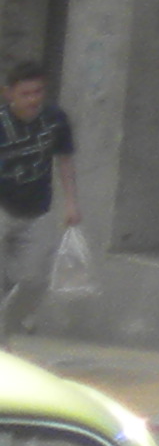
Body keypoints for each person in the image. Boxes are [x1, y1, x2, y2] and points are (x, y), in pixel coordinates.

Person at [0, 60, 79, 336]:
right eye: (25, 94)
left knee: (35, 281)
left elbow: (65, 159)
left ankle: (6, 329)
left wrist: (71, 203)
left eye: (38, 92)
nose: (33, 100)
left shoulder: (55, 119)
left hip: (38, 210)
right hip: (2, 208)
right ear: (8, 93)